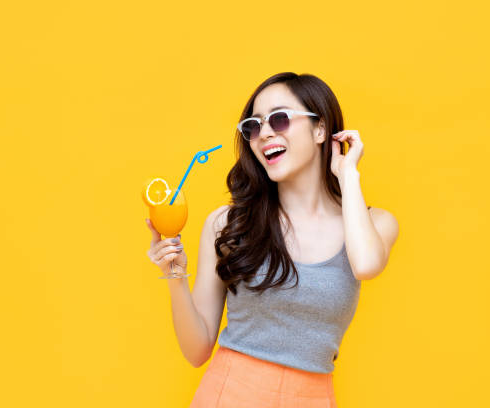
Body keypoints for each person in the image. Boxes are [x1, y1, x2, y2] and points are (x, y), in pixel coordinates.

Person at [145, 72, 399, 407]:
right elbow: (197, 351)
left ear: (320, 129)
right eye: (253, 126)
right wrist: (175, 275)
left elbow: (366, 265)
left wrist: (348, 174)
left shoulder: (375, 223)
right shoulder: (228, 224)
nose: (264, 133)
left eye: (279, 119)